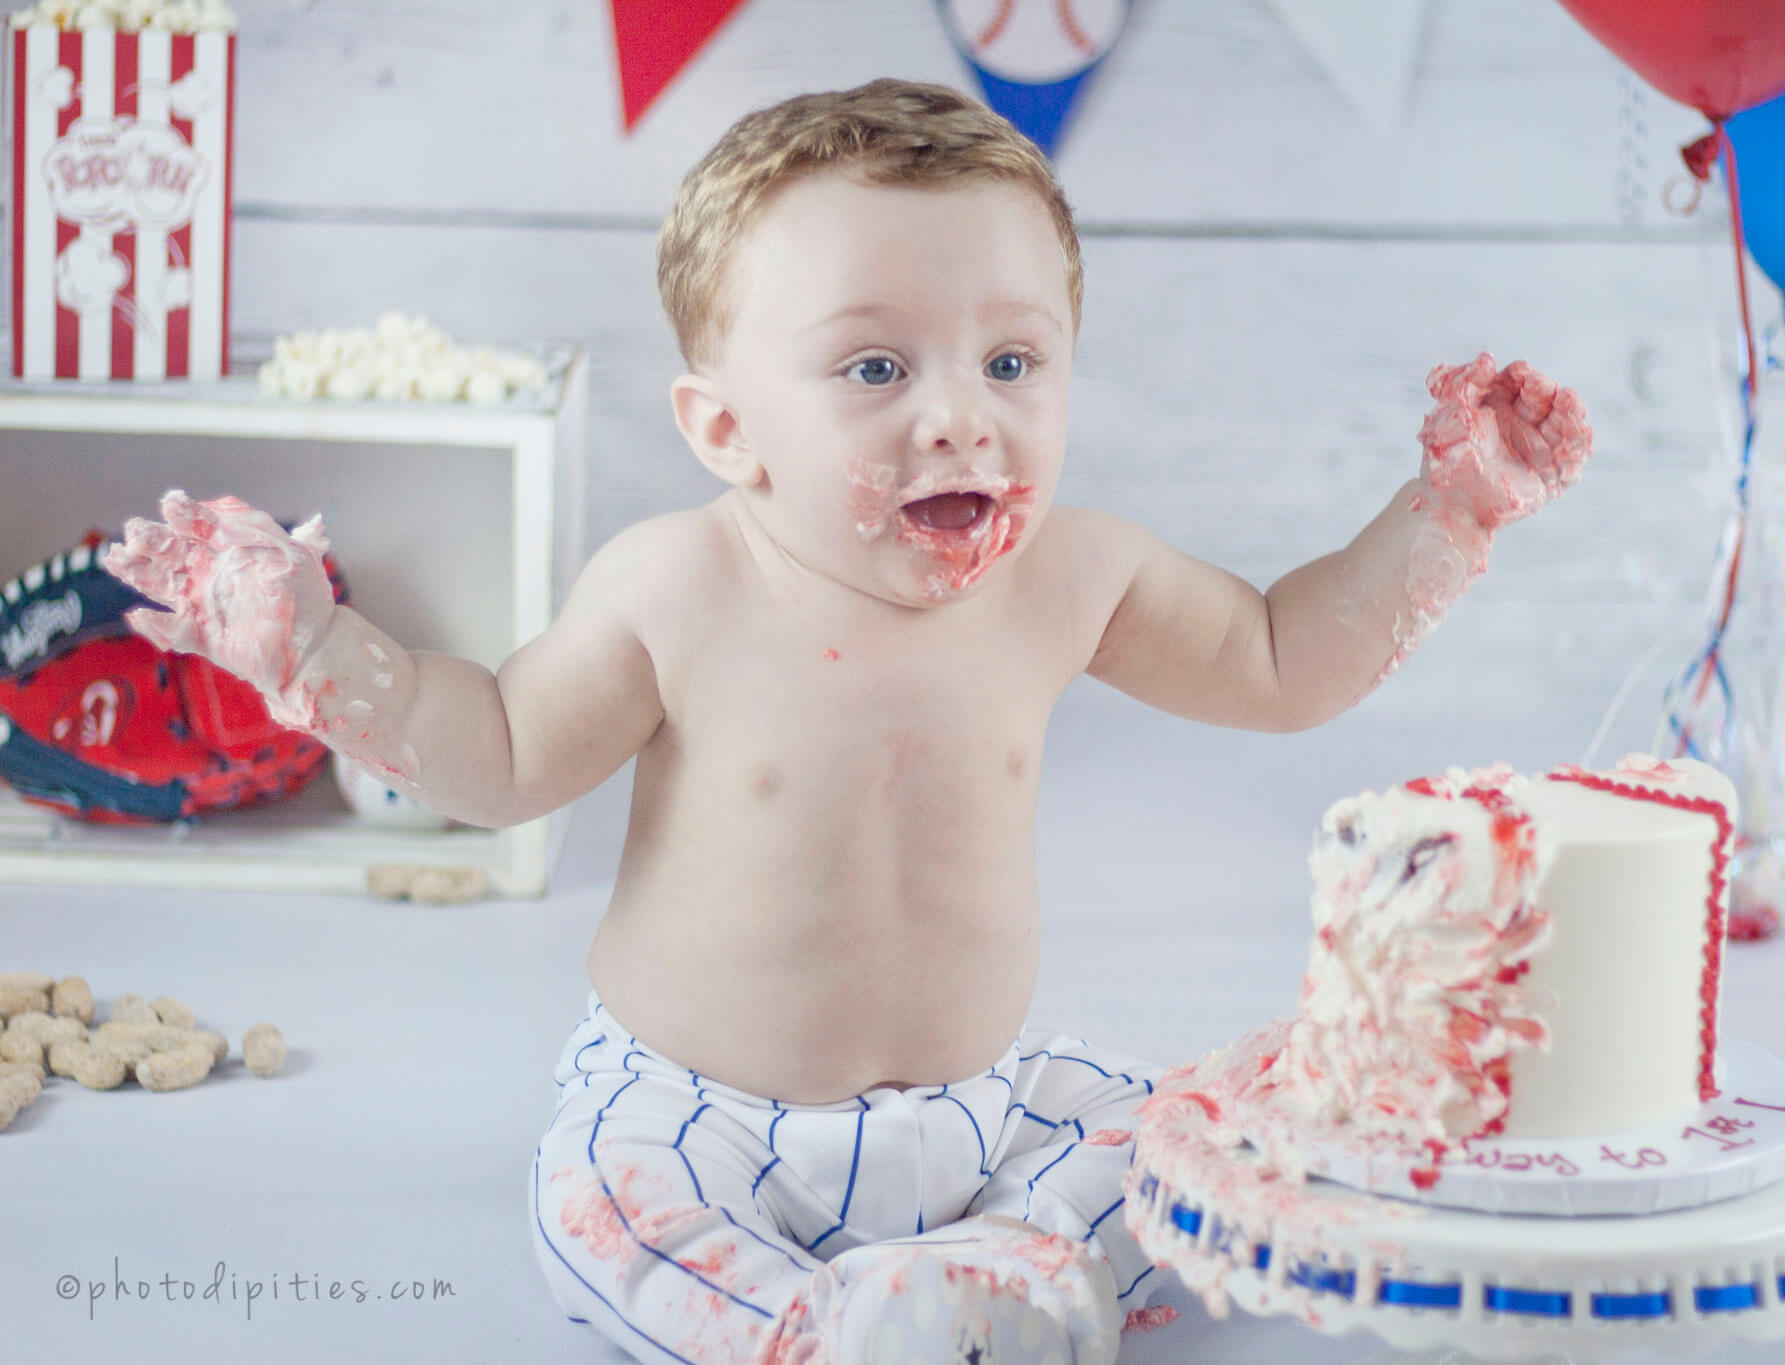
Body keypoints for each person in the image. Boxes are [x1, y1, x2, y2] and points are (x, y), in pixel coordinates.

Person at [106, 78, 1590, 1365]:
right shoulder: (677, 584)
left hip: (986, 1110)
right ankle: (827, 1324)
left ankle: (992, 1269)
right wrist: (315, 648)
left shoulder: (1076, 574)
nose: (959, 416)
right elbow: (496, 752)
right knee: (605, 1218)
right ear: (724, 427)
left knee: (1218, 1143)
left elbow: (1282, 660)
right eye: (875, 367)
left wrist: (1450, 510)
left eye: (1011, 360)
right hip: (702, 1119)